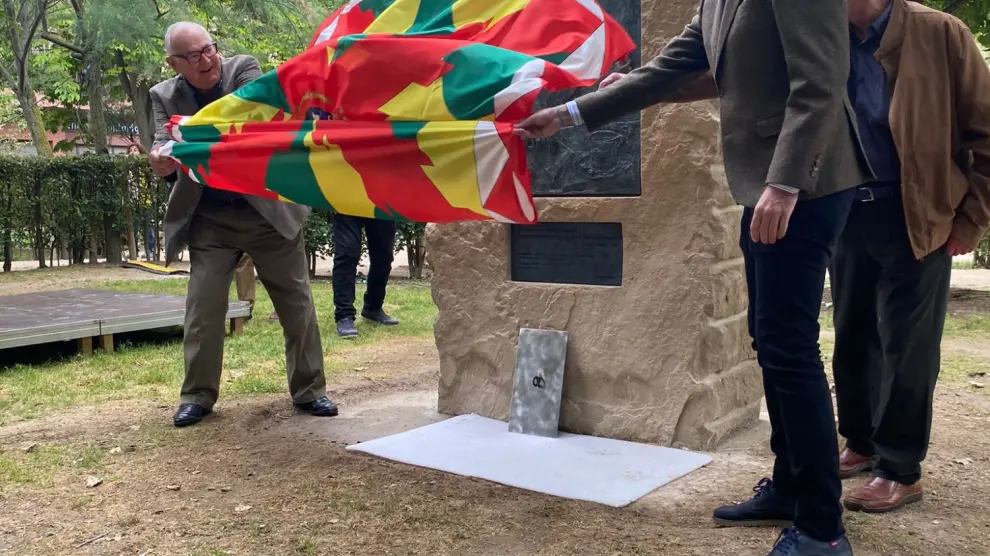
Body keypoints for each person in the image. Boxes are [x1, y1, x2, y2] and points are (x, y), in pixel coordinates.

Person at [516, 2, 871, 554]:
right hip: (767, 182)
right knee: (769, 339)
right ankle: (790, 486)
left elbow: (822, 82)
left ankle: (823, 528)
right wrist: (568, 115)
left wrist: (784, 184)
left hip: (808, 181)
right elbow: (667, 71)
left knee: (788, 347)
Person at [831, 0, 990, 514]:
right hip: (846, 209)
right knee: (852, 334)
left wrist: (971, 219)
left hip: (917, 213)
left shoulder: (941, 33)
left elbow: (987, 133)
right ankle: (859, 441)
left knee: (907, 346)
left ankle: (899, 469)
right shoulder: (825, 31)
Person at [147, 22, 338, 427]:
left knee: (296, 303)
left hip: (266, 211)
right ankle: (197, 396)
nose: (207, 60)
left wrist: (191, 137)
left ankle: (310, 391)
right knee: (203, 306)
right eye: (193, 56)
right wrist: (162, 161)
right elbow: (166, 146)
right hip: (210, 219)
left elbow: (249, 121)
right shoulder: (162, 95)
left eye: (209, 48)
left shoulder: (243, 70)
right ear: (173, 63)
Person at [330, 212, 399, 338]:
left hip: (380, 199)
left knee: (384, 255)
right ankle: (344, 315)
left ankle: (373, 308)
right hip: (345, 200)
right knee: (347, 253)